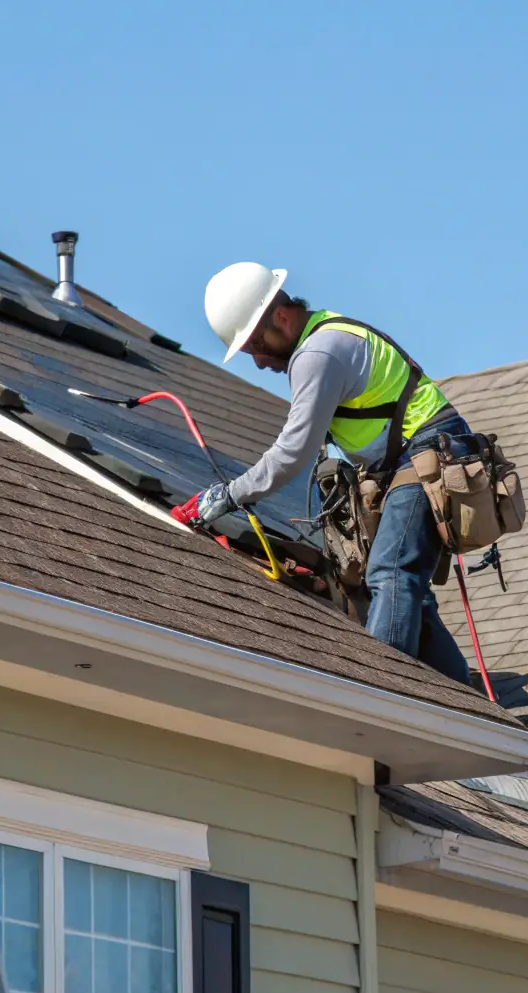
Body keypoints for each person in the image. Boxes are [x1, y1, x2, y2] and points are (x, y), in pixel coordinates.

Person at [184, 261, 473, 685]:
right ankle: (468, 703)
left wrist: (231, 495)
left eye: (255, 347)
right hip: (412, 457)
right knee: (405, 588)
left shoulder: (317, 354)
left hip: (429, 449)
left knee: (390, 570)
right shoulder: (326, 331)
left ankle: (381, 695)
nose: (258, 362)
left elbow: (293, 452)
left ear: (281, 319)